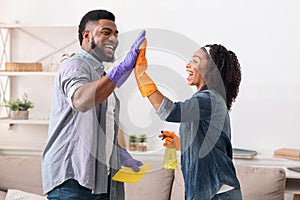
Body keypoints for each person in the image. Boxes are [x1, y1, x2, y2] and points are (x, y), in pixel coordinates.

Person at [42, 9, 145, 200]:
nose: (113, 39)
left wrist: (120, 152)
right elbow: (81, 101)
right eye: (106, 32)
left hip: (100, 179)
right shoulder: (75, 66)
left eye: (115, 34)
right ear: (87, 35)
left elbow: (104, 120)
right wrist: (121, 68)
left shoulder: (99, 74)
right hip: (72, 181)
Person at [134, 40, 242, 200]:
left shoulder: (210, 99)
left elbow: (169, 111)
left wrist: (142, 76)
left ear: (212, 69)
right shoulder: (207, 100)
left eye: (195, 61)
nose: (187, 65)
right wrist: (181, 143)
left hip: (217, 193)